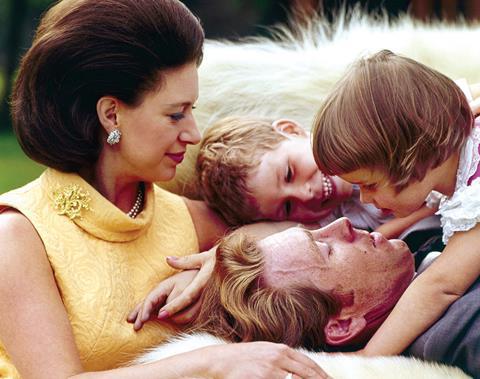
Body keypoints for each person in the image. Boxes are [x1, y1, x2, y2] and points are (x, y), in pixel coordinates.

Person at [0, 1, 329, 378]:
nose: (194, 133)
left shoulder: (189, 218)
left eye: (192, 110)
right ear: (111, 114)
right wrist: (212, 360)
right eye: (176, 114)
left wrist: (218, 259)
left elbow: (293, 233)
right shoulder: (18, 236)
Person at [132, 218, 479, 376]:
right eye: (326, 249)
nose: (341, 223)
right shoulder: (459, 330)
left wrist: (208, 265)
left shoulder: (412, 242)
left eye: (315, 232)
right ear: (342, 325)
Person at [312, 50, 480, 360]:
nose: (364, 200)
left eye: (370, 185)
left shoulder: (476, 193)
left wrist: (369, 356)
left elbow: (442, 285)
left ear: (415, 155)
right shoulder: (459, 141)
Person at [197, 115, 438, 239]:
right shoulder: (335, 218)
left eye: (289, 174)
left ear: (290, 130)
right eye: (288, 207)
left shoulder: (363, 129)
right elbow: (264, 235)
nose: (306, 194)